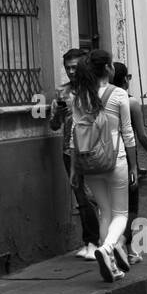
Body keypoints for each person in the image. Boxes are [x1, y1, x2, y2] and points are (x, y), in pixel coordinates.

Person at [69, 49, 137, 282]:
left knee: (104, 211)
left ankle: (113, 267)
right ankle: (107, 248)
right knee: (121, 214)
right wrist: (134, 165)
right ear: (108, 68)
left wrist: (74, 169)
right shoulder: (118, 95)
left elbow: (73, 137)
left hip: (89, 164)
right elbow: (128, 134)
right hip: (115, 160)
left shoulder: (79, 97)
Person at [109, 62, 147, 264]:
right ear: (125, 79)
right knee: (131, 207)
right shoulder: (130, 103)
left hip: (106, 158)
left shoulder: (103, 99)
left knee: (112, 208)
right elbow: (140, 135)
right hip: (126, 159)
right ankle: (126, 247)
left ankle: (115, 247)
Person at [50, 48, 98, 258]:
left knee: (92, 196)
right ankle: (90, 241)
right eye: (67, 68)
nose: (70, 72)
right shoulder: (62, 92)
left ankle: (99, 241)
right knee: (80, 197)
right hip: (69, 150)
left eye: (74, 67)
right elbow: (53, 125)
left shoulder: (94, 89)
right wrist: (60, 114)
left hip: (91, 149)